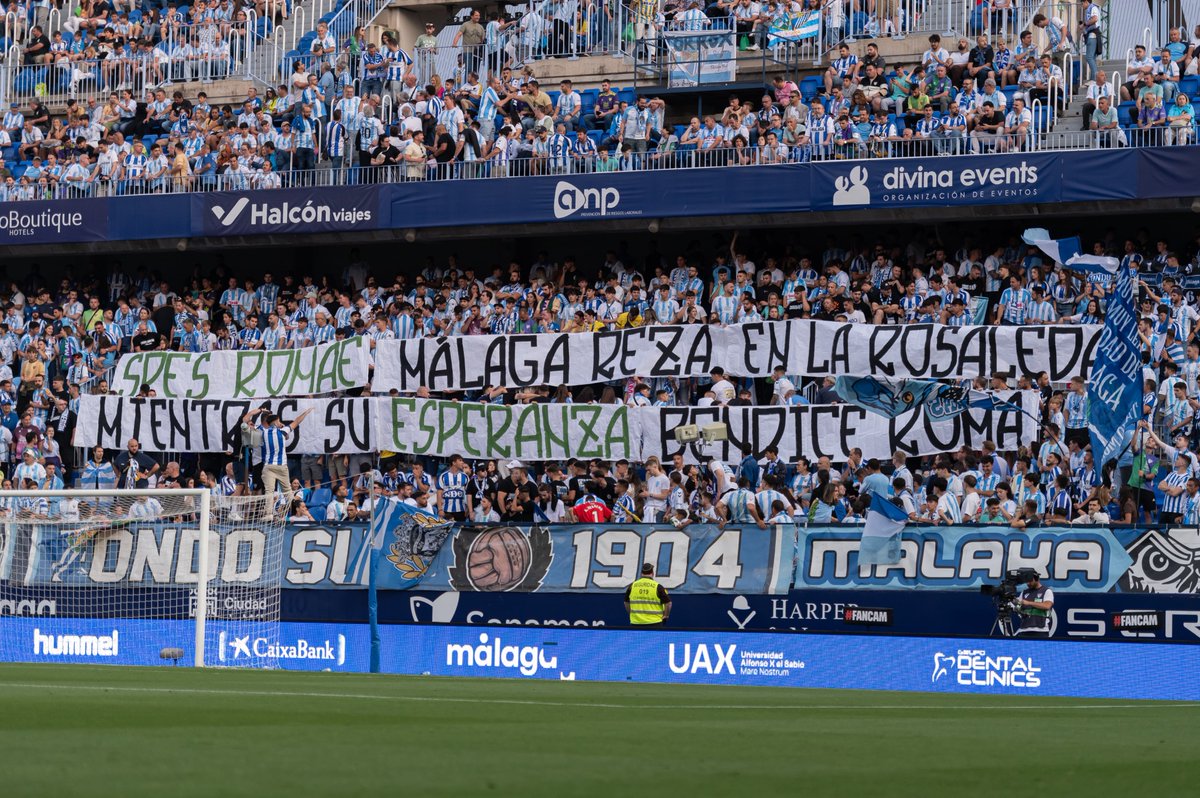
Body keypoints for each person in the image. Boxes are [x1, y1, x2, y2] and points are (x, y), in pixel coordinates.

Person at [624, 562, 671, 628]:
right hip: (655, 623)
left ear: (641, 573)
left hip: (636, 623)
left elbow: (626, 602)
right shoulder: (657, 587)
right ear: (652, 573)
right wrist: (666, 616)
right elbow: (668, 603)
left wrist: (631, 613)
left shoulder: (632, 586)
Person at [1014, 571, 1054, 638]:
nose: (1028, 583)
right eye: (1027, 582)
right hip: (1024, 629)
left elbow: (1047, 606)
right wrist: (1015, 605)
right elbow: (1018, 606)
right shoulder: (1024, 592)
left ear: (1037, 579)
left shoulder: (1046, 591)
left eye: (1030, 581)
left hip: (1041, 630)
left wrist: (1029, 603)